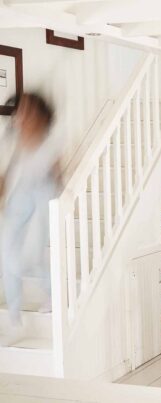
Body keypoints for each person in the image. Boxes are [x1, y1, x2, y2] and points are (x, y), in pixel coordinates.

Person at [0, 93, 61, 346]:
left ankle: (53, 295)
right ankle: (15, 321)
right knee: (7, 256)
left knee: (32, 256)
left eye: (26, 111)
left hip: (42, 199)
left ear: (39, 115)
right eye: (19, 111)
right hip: (18, 200)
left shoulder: (51, 144)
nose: (20, 115)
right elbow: (10, 172)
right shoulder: (16, 140)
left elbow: (58, 177)